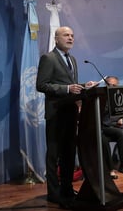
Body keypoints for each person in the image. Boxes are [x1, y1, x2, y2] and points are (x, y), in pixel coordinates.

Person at [36, 26, 97, 207]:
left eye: (72, 35)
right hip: (56, 114)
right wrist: (66, 89)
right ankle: (54, 194)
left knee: (69, 155)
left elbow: (70, 85)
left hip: (70, 113)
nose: (70, 38)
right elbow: (41, 85)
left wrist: (84, 85)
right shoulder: (48, 58)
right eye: (66, 35)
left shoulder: (73, 60)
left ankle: (67, 189)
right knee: (54, 155)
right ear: (56, 39)